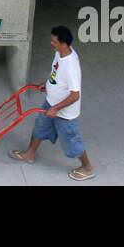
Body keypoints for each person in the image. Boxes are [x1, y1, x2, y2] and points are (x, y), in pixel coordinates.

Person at [10, 25, 94, 180]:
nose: (51, 43)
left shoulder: (71, 66)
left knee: (71, 140)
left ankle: (87, 167)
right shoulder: (59, 53)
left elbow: (75, 95)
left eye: (54, 41)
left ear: (64, 44)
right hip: (51, 103)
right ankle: (30, 154)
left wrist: (56, 108)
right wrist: (47, 83)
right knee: (41, 126)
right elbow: (56, 73)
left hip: (65, 113)